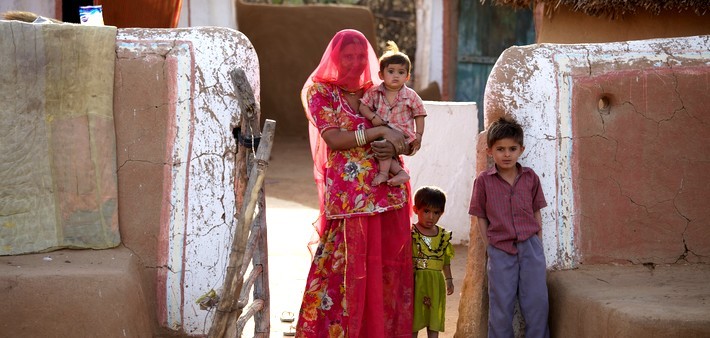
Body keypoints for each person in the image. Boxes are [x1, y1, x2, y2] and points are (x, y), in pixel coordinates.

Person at [295, 29, 414, 337]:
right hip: (349, 200)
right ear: (335, 57)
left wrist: (394, 146)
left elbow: (405, 136)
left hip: (388, 193)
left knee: (385, 267)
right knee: (344, 267)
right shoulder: (321, 93)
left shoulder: (378, 90)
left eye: (361, 56)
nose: (355, 62)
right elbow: (334, 139)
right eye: (348, 56)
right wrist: (377, 134)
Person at [468, 115, 550, 338]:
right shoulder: (483, 181)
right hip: (500, 250)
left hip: (530, 247)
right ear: (490, 152)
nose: (506, 154)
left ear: (521, 150)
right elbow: (481, 217)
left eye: (512, 149)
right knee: (501, 305)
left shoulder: (530, 178)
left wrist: (538, 244)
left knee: (537, 302)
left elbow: (536, 211)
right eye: (500, 149)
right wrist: (490, 246)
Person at [359, 41, 426, 186]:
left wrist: (419, 136)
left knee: (384, 146)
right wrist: (373, 117)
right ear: (381, 75)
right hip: (382, 131)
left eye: (401, 72)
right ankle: (401, 173)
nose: (396, 76)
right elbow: (363, 106)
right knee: (382, 148)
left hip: (402, 134)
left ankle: (384, 174)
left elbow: (419, 114)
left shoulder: (411, 96)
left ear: (407, 76)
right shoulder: (374, 92)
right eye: (391, 71)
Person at [411, 186, 454, 338]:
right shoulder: (411, 233)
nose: (431, 217)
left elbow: (446, 260)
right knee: (414, 319)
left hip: (436, 284)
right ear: (416, 210)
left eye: (436, 213)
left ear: (441, 213)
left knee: (434, 318)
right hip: (416, 283)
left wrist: (449, 279)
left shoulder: (443, 236)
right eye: (426, 211)